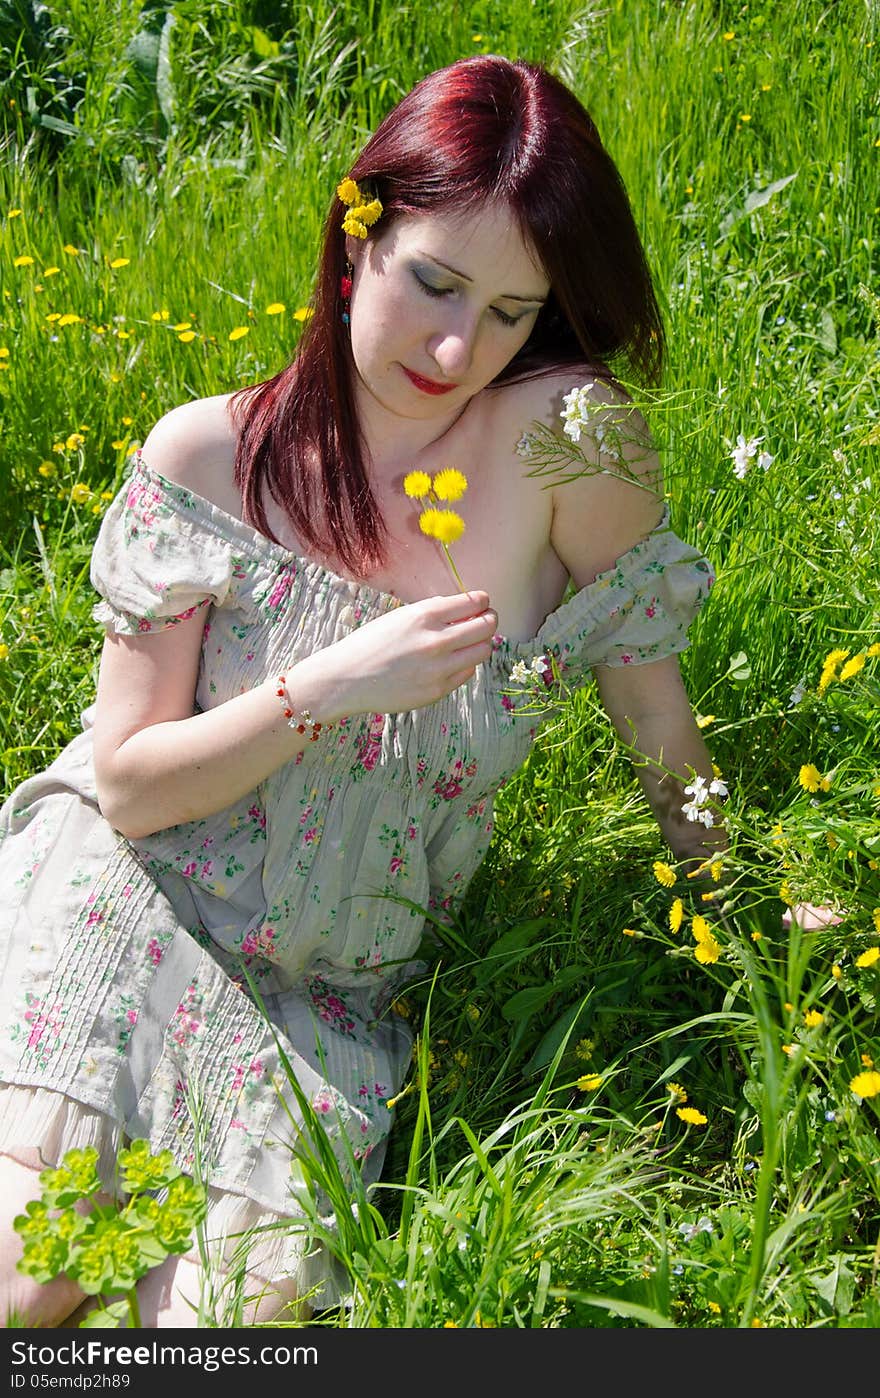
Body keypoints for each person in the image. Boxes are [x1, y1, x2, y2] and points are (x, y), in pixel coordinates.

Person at [0, 54, 726, 1327]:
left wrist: (742, 899)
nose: (460, 346)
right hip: (135, 890)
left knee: (214, 1328)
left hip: (322, 982)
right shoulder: (211, 455)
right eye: (434, 283)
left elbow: (651, 703)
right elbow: (126, 789)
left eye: (512, 311)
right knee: (33, 1270)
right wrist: (326, 687)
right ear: (356, 238)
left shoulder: (566, 440)